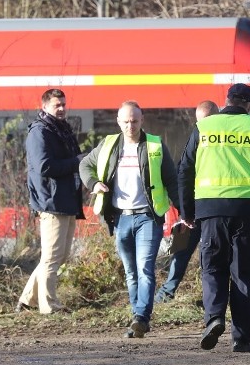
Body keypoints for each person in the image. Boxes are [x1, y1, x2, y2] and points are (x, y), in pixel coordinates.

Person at [178, 83, 250, 353]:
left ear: (226, 100)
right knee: (243, 273)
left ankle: (214, 318)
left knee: (212, 267)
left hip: (210, 209)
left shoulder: (204, 128)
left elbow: (185, 170)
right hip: (248, 210)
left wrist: (186, 211)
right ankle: (241, 338)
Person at [79, 100, 180, 339]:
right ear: (118, 122)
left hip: (148, 217)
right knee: (130, 272)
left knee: (145, 269)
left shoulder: (154, 145)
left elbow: (171, 180)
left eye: (134, 121)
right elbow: (85, 164)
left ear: (142, 120)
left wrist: (184, 211)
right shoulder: (109, 145)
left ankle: (141, 317)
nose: (130, 126)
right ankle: (137, 318)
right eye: (125, 121)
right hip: (120, 219)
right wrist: (94, 183)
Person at [17, 88, 85, 315]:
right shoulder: (40, 131)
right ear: (44, 106)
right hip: (51, 201)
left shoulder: (59, 129)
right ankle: (49, 305)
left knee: (59, 255)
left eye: (64, 104)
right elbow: (45, 166)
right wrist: (77, 161)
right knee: (52, 256)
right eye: (57, 105)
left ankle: (27, 299)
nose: (62, 108)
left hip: (64, 199)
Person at [154, 100, 219, 304]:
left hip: (212, 210)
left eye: (206, 121)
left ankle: (215, 296)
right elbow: (182, 172)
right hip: (193, 209)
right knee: (180, 251)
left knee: (214, 255)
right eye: (199, 122)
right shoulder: (197, 137)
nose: (203, 126)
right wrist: (183, 210)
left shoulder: (221, 142)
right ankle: (166, 292)